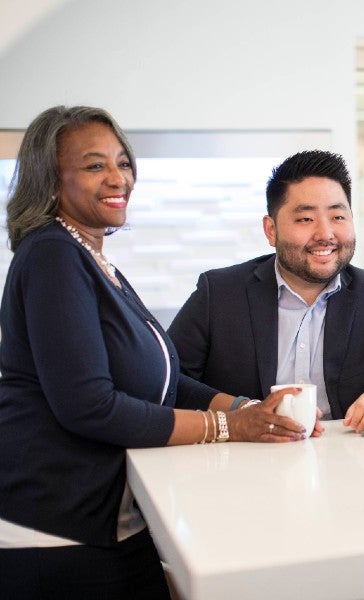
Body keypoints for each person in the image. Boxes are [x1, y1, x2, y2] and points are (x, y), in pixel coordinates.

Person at [0, 106, 318, 600]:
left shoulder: (93, 261)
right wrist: (230, 428)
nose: (117, 177)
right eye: (94, 165)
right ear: (50, 178)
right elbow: (89, 406)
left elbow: (167, 381)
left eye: (123, 162)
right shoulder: (51, 255)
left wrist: (247, 409)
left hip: (113, 525)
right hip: (57, 533)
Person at [167, 150, 364, 432]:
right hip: (242, 457)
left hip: (347, 458)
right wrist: (239, 409)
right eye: (305, 219)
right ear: (271, 230)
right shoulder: (219, 293)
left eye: (338, 217)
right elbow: (170, 379)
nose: (326, 234)